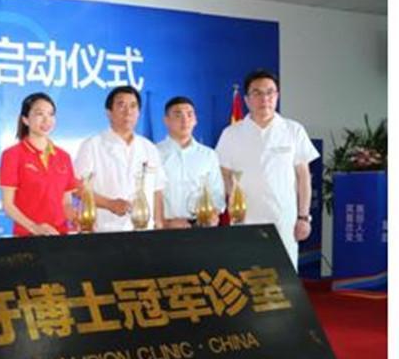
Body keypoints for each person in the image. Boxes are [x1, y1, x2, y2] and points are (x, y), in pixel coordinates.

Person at [215, 69, 319, 269]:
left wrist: (304, 217)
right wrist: (234, 199)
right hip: (245, 220)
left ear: (277, 96)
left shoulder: (293, 130)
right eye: (257, 93)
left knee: (284, 277)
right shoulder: (231, 133)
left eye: (270, 92)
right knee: (247, 273)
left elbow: (304, 177)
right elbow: (223, 173)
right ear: (247, 99)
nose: (265, 98)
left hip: (284, 220)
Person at [74, 85, 167, 232]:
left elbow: (157, 190)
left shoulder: (149, 147)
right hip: (106, 230)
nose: (128, 111)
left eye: (133, 106)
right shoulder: (92, 145)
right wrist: (109, 204)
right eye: (121, 105)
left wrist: (159, 224)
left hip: (145, 231)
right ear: (109, 112)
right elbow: (77, 188)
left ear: (139, 113)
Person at [0, 92, 78, 236]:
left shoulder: (64, 157)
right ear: (25, 119)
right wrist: (34, 227)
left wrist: (76, 218)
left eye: (51, 114)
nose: (46, 120)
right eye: (39, 114)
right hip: (27, 237)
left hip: (60, 235)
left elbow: (66, 203)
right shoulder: (12, 155)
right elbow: (8, 205)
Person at [157, 96, 225, 228]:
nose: (185, 120)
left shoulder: (208, 155)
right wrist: (166, 223)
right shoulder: (154, 153)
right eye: (178, 115)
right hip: (166, 228)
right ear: (166, 120)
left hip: (202, 227)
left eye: (189, 115)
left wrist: (212, 214)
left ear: (195, 120)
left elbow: (217, 193)